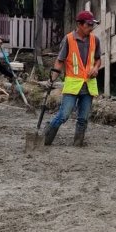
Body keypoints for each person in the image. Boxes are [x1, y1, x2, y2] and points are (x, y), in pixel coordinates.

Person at [43, 10, 103, 147]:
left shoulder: (95, 40)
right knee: (63, 116)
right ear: (80, 25)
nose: (91, 27)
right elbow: (60, 61)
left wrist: (96, 68)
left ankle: (78, 143)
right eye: (89, 25)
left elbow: (98, 59)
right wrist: (52, 79)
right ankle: (46, 137)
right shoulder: (69, 39)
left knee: (83, 118)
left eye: (92, 25)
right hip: (73, 85)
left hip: (88, 85)